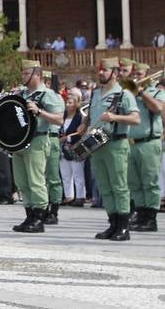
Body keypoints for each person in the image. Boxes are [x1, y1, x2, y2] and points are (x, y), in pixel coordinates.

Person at [78, 56, 139, 241]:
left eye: (105, 70)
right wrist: (83, 124)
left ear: (115, 73)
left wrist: (115, 118)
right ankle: (112, 223)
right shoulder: (96, 93)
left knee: (119, 186)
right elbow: (90, 115)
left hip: (116, 144)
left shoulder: (123, 94)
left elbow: (136, 119)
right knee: (105, 186)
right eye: (100, 70)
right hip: (97, 144)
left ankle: (123, 226)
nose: (100, 73)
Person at [14, 60, 65, 232]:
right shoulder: (22, 94)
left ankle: (39, 217)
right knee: (22, 181)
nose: (23, 76)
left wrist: (39, 111)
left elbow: (59, 119)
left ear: (37, 75)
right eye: (23, 73)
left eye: (27, 73)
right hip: (20, 141)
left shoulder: (48, 94)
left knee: (36, 181)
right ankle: (29, 216)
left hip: (38, 139)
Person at [125, 61, 162, 232]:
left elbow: (157, 108)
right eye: (134, 75)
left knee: (150, 182)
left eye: (139, 75)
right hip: (131, 143)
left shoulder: (157, 92)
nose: (135, 78)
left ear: (148, 74)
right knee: (135, 183)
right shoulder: (129, 94)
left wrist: (141, 92)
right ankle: (140, 214)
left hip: (148, 142)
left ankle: (151, 217)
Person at [59, 88, 87, 205]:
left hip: (76, 147)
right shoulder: (63, 116)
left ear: (76, 104)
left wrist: (67, 138)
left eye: (70, 103)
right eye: (67, 102)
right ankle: (69, 196)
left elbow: (80, 133)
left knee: (78, 174)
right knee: (65, 174)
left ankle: (80, 197)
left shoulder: (80, 117)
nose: (67, 105)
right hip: (63, 149)